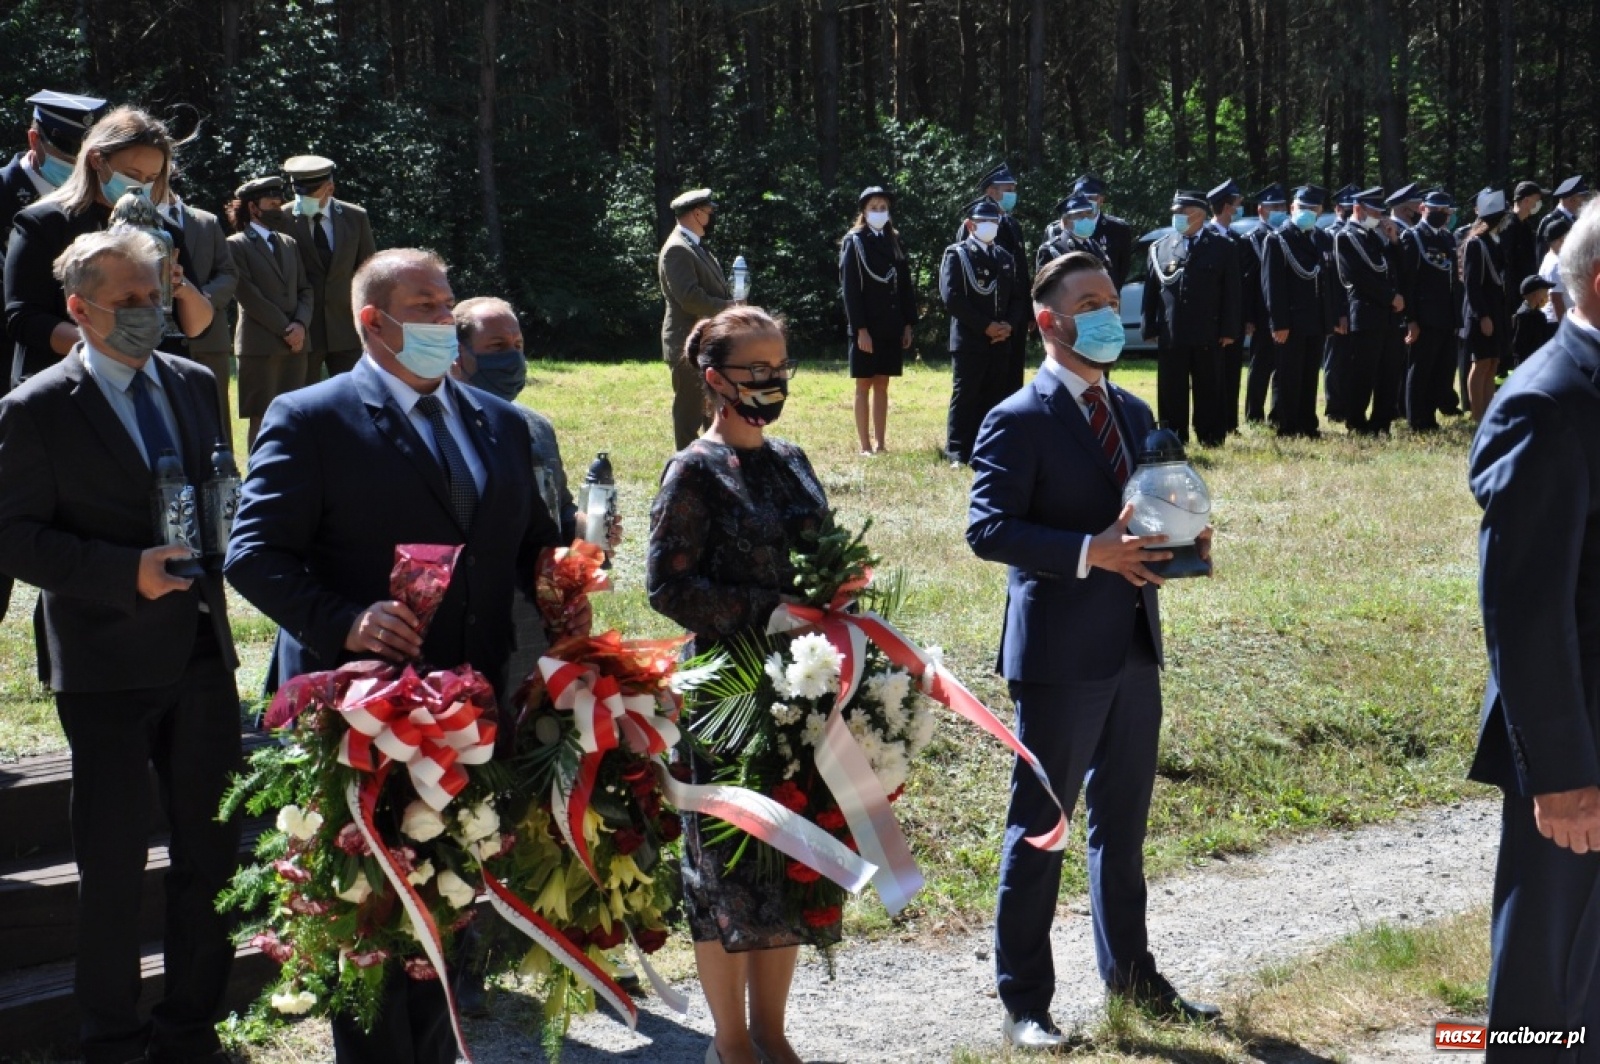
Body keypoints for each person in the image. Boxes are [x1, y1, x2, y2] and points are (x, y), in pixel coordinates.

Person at [225, 248, 562, 1064]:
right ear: (373, 323)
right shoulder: (312, 418)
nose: (447, 322)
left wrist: (565, 573)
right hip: (366, 718)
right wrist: (346, 621)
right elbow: (254, 553)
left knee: (447, 921)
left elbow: (530, 554)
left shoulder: (506, 426)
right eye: (425, 307)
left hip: (472, 719)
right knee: (375, 932)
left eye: (449, 305)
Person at [0, 229, 240, 1064]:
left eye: (157, 297)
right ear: (79, 308)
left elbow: (221, 487)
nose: (149, 315)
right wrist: (118, 572)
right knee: (111, 863)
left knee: (208, 855)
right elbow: (14, 537)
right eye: (129, 302)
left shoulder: (196, 382)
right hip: (105, 665)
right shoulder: (34, 409)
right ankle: (111, 1038)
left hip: (203, 654)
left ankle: (190, 1030)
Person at [967, 250, 1218, 1050]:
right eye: (1091, 302)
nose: (1110, 313)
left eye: (1113, 298)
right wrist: (1090, 550)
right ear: (1050, 320)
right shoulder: (1017, 417)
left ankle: (1134, 978)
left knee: (1123, 825)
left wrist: (1182, 543)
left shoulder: (1136, 411)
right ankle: (1026, 1005)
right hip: (1058, 657)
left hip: (1134, 648)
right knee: (1042, 829)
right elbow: (989, 529)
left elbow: (1153, 511)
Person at [646, 304, 820, 1064]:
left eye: (781, 368)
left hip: (803, 690)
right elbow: (667, 587)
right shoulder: (693, 471)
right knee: (724, 874)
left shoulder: (793, 459)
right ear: (714, 379)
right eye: (757, 370)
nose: (772, 382)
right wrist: (766, 611)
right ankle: (731, 1043)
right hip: (725, 696)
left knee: (785, 865)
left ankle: (774, 1035)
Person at [1467, 199, 1600, 1061]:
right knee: (1546, 999)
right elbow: (1523, 608)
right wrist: (1560, 774)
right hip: (1580, 751)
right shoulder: (1550, 400)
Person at [5, 106, 213, 391]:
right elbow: (24, 319)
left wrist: (180, 287)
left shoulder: (163, 230)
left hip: (147, 384)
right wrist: (110, 348)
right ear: (96, 160)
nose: (140, 185)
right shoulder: (44, 222)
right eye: (131, 173)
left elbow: (198, 326)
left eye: (151, 178)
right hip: (66, 388)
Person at [1140, 189, 1241, 447]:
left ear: (1199, 214)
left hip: (1208, 330)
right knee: (1171, 387)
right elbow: (1151, 291)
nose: (1177, 217)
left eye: (1182, 213)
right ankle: (1174, 434)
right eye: (1175, 212)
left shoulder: (1223, 247)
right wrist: (1148, 326)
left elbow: (1231, 292)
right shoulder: (1161, 247)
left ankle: (1210, 435)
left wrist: (1230, 329)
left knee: (1209, 385)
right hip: (1172, 331)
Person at [940, 198, 1030, 467]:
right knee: (966, 394)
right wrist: (985, 326)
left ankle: (988, 447)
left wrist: (1009, 326)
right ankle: (957, 451)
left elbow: (1017, 298)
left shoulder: (1004, 257)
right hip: (970, 339)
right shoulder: (957, 254)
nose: (990, 226)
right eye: (983, 222)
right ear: (970, 225)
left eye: (994, 221)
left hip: (1001, 338)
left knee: (996, 394)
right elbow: (952, 298)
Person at [225, 175, 312, 449]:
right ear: (253, 208)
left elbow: (305, 289)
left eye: (279, 202)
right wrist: (286, 330)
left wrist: (300, 324)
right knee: (261, 418)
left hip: (296, 346)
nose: (279, 209)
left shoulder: (289, 243)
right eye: (272, 204)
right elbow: (249, 296)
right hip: (260, 346)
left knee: (295, 417)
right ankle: (261, 480)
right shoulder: (235, 245)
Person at [278, 154, 376, 380]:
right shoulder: (282, 219)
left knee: (355, 396)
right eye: (298, 191)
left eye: (310, 192)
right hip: (303, 329)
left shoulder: (355, 217)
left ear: (329, 188)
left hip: (347, 328)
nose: (303, 199)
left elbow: (368, 270)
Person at [840, 185, 917, 455]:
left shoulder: (893, 239)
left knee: (883, 382)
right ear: (863, 211)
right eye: (874, 208)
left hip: (890, 323)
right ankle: (864, 445)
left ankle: (881, 443)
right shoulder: (854, 241)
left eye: (883, 207)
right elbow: (850, 289)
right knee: (864, 383)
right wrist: (860, 329)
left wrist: (908, 323)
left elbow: (905, 285)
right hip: (866, 325)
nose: (879, 212)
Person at [159, 182, 238, 438]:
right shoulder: (142, 220)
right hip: (162, 339)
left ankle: (224, 472)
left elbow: (227, 272)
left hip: (209, 336)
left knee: (216, 414)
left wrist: (202, 298)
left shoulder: (207, 221)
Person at [659, 188, 735, 450]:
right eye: (709, 211)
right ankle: (686, 471)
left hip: (703, 342)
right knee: (688, 414)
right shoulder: (677, 249)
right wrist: (729, 307)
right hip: (686, 344)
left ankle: (709, 464)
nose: (711, 216)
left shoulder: (695, 246)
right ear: (696, 213)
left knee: (709, 410)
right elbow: (690, 298)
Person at [1261, 185, 1335, 438]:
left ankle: (1307, 422)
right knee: (1288, 374)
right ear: (1292, 208)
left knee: (1309, 374)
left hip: (1315, 318)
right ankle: (1287, 424)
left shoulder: (1322, 238)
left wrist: (1330, 318)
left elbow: (1328, 282)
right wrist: (1278, 322)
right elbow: (1273, 285)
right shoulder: (1278, 239)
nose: (1307, 212)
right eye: (1302, 208)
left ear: (1320, 211)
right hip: (1290, 319)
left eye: (1312, 209)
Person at [1333, 187, 1405, 435]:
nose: (1379, 216)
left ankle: (1381, 422)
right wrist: (1390, 297)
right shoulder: (1346, 236)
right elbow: (1357, 277)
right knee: (1363, 373)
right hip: (1366, 313)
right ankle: (1357, 422)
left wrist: (1394, 239)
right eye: (1374, 211)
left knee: (1389, 371)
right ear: (1358, 209)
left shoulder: (1375, 237)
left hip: (1388, 315)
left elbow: (1395, 267)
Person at [0, 91, 106, 257]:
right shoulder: (4, 188)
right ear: (34, 140)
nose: (78, 165)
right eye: (69, 153)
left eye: (87, 156)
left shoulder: (98, 200)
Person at [956, 164, 1030, 399]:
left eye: (1014, 189)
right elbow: (967, 278)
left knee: (1012, 381)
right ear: (991, 192)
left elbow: (1021, 273)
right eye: (1007, 190)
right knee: (982, 389)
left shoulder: (1012, 225)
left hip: (1012, 318)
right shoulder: (973, 225)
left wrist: (1024, 313)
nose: (1012, 195)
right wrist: (990, 324)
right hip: (986, 322)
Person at [1400, 190, 1460, 431]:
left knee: (1441, 370)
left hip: (1446, 316)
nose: (1443, 216)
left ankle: (1430, 415)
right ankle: (1416, 419)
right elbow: (1407, 283)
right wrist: (1411, 319)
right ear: (1423, 208)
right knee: (1421, 369)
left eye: (1446, 212)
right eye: (1437, 211)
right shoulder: (1413, 237)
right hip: (1424, 317)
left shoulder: (1447, 238)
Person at [1460, 188, 1511, 422]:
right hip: (1481, 312)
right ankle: (1476, 415)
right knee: (1480, 363)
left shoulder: (1494, 241)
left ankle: (1488, 414)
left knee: (1492, 363)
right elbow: (1472, 285)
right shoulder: (1476, 244)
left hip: (1496, 309)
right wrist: (1482, 316)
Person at [1207, 178, 1251, 434]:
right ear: (1226, 206)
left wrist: (1245, 317)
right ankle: (1216, 421)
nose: (1237, 210)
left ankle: (1230, 422)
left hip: (1233, 319)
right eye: (1235, 204)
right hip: (1214, 320)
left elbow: (1240, 286)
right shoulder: (1209, 237)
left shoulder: (1236, 239)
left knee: (1232, 373)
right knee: (1215, 375)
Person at [1243, 184, 1287, 425]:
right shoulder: (1253, 238)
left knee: (1282, 366)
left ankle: (1278, 414)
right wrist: (1249, 316)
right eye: (1274, 207)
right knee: (1261, 367)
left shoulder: (1286, 237)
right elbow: (1248, 282)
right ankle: (1254, 415)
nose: (1279, 211)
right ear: (1261, 210)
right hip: (1261, 314)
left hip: (1284, 314)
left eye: (1282, 206)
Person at [1322, 185, 1358, 422]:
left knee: (1355, 361)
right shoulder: (1329, 234)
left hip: (1358, 308)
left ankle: (1351, 403)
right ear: (1337, 208)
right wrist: (1337, 313)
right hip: (1339, 307)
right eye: (1345, 208)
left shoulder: (1357, 233)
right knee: (1336, 360)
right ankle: (1335, 407)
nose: (1348, 212)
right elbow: (1331, 279)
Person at [1074, 174, 1135, 288]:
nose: (1085, 202)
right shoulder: (1060, 229)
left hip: (1105, 298)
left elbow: (1122, 270)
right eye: (1081, 198)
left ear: (1101, 200)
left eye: (1091, 198)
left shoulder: (1118, 229)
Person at [1036, 193, 1112, 275]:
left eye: (1089, 213)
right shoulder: (1052, 250)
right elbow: (1047, 286)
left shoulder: (1094, 245)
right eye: (1079, 215)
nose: (1086, 219)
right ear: (1065, 221)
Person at [1501, 181, 1543, 309]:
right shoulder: (1507, 226)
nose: (1538, 204)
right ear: (1526, 201)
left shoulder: (1527, 226)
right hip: (1513, 296)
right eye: (1536, 200)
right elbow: (1506, 265)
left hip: (1527, 293)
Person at [1508, 275, 1555, 370]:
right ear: (1536, 295)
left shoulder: (1540, 315)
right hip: (1525, 364)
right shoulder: (1522, 316)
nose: (1547, 296)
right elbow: (1517, 346)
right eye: (1545, 293)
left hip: (1539, 361)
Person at [1536, 175, 1588, 259]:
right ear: (1572, 199)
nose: (1585, 201)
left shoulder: (1577, 220)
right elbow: (1542, 255)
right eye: (1582, 197)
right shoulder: (1550, 221)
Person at [1537, 214, 1572, 325]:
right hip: (1555, 322)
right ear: (1562, 239)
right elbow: (1555, 298)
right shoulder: (1555, 264)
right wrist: (1564, 327)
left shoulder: (1551, 257)